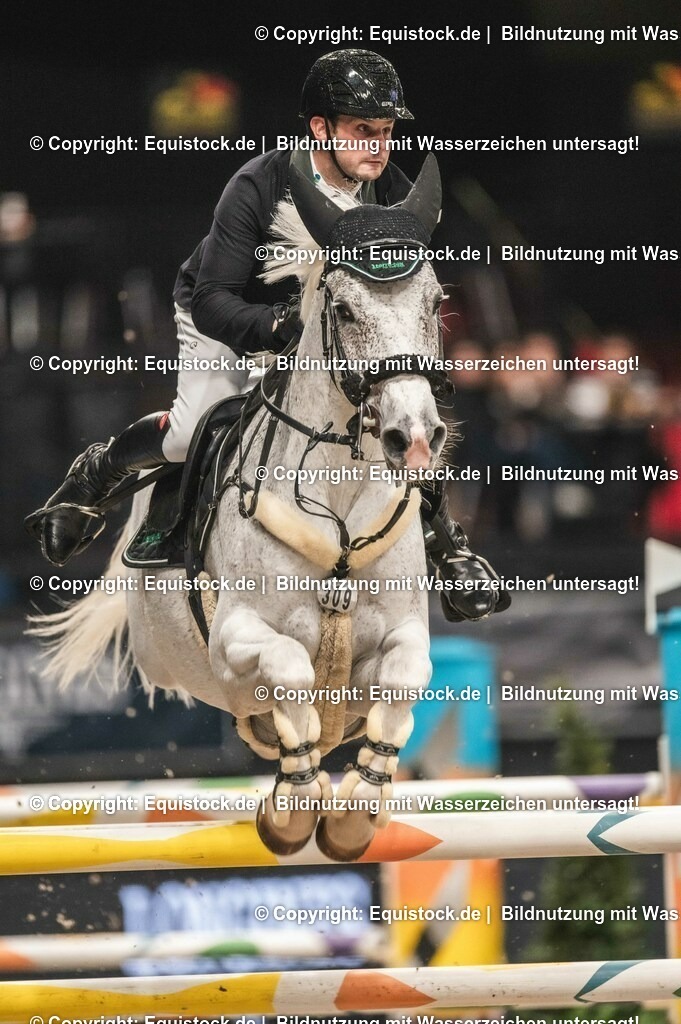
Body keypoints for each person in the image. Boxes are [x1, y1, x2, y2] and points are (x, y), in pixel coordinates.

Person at [26, 49, 509, 622]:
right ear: (319, 128)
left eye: (384, 131)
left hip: (334, 336)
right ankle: (96, 475)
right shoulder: (259, 183)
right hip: (233, 315)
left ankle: (445, 545)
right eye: (362, 131)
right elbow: (213, 300)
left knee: (402, 413)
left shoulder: (393, 195)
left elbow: (400, 300)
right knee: (189, 432)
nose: (378, 146)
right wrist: (281, 329)